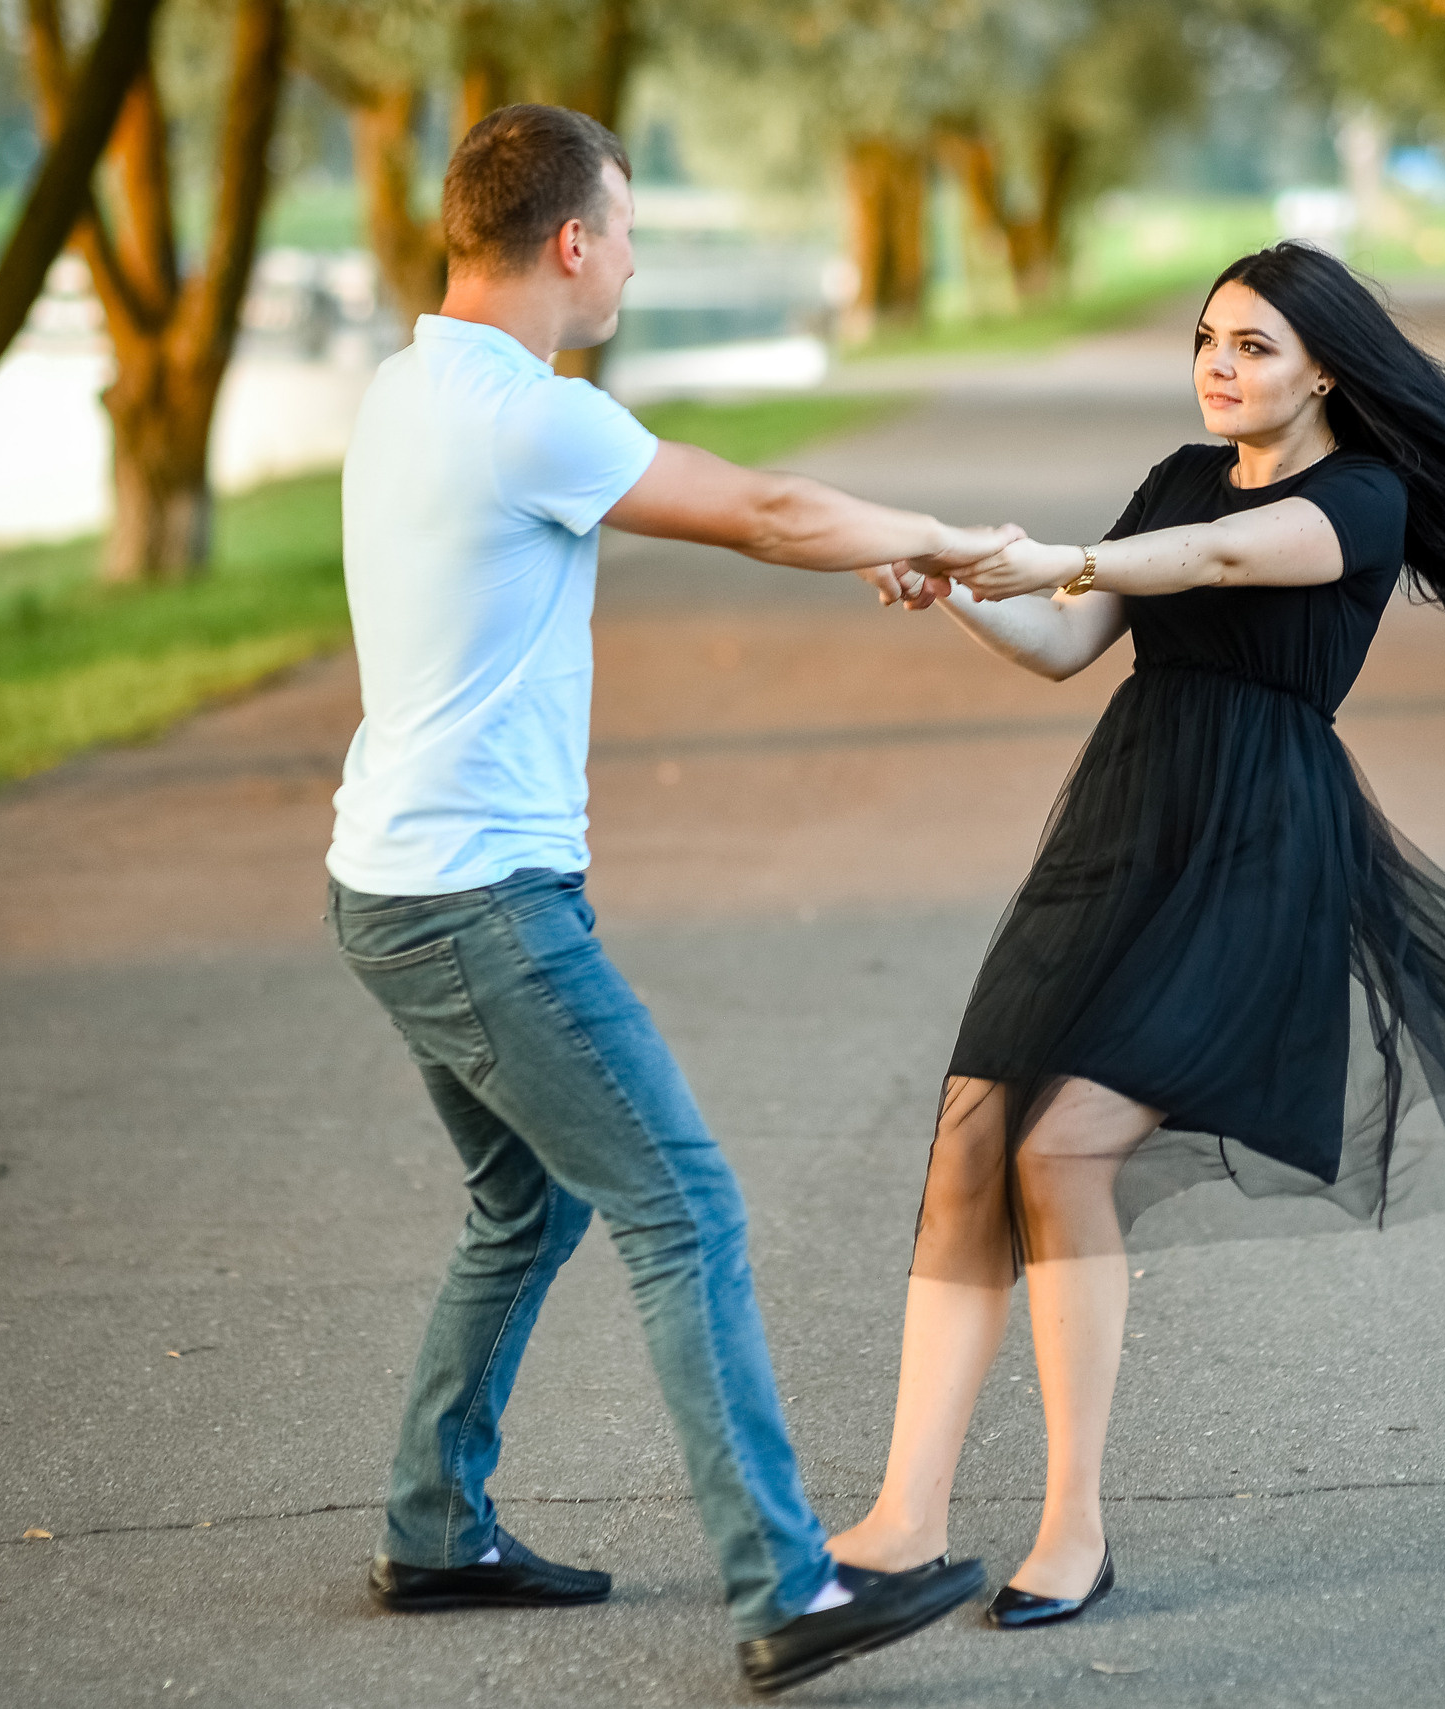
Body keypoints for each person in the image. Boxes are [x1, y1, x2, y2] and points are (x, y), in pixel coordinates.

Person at [830, 242, 1445, 1628]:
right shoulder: (1177, 477)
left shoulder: (1362, 497)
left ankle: (1074, 1529)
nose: (1219, 367)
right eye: (1207, 340)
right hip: (1122, 828)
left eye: (1253, 347)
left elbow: (1230, 555)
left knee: (1065, 1151)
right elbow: (1068, 644)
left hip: (1261, 850)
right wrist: (959, 587)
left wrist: (1062, 555)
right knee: (971, 1142)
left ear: (1324, 372)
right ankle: (904, 1517)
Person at [327, 103, 1004, 1695]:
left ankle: (435, 1522)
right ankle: (787, 1585)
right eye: (626, 230)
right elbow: (761, 510)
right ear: (572, 241)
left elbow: (768, 514)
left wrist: (867, 544)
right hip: (480, 905)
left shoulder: (413, 385)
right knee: (682, 1205)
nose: (631, 260)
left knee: (529, 1200)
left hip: (398, 884)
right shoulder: (522, 415)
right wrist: (943, 541)